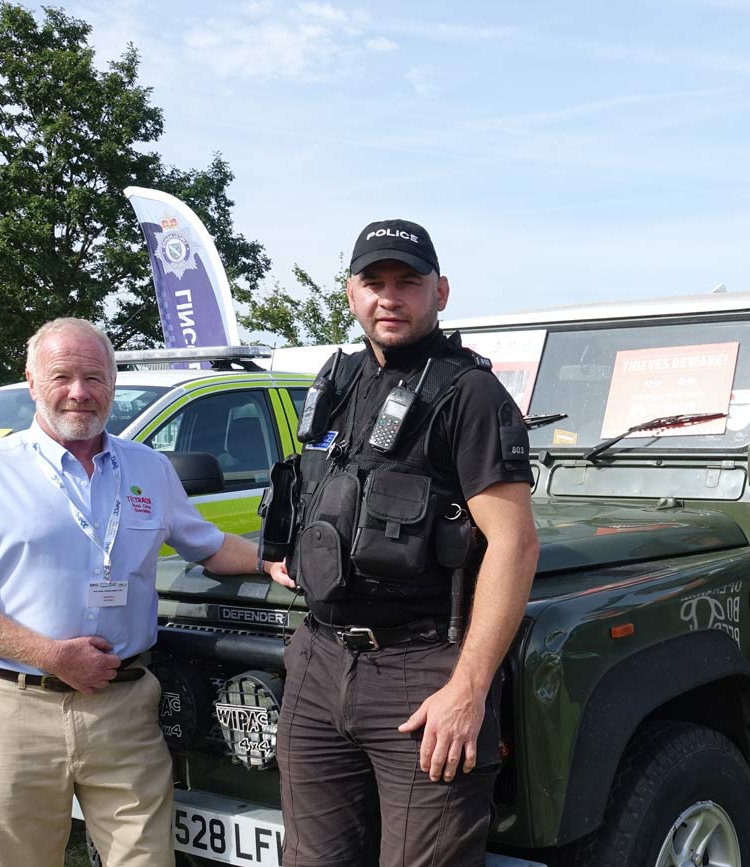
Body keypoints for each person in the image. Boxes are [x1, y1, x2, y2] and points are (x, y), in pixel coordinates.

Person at [0, 318, 267, 867]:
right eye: (63, 376)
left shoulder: (148, 467)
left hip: (124, 708)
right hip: (12, 710)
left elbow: (209, 545)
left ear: (113, 383)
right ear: (31, 381)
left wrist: (275, 562)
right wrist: (51, 655)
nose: (80, 392)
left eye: (95, 377)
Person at [264, 219, 539, 867]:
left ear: (439, 292)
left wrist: (468, 688)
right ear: (351, 293)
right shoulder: (338, 382)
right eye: (373, 282)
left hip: (423, 673)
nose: (389, 297)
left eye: (407, 282)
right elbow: (323, 494)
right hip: (319, 660)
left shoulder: (469, 393)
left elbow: (515, 544)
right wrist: (293, 550)